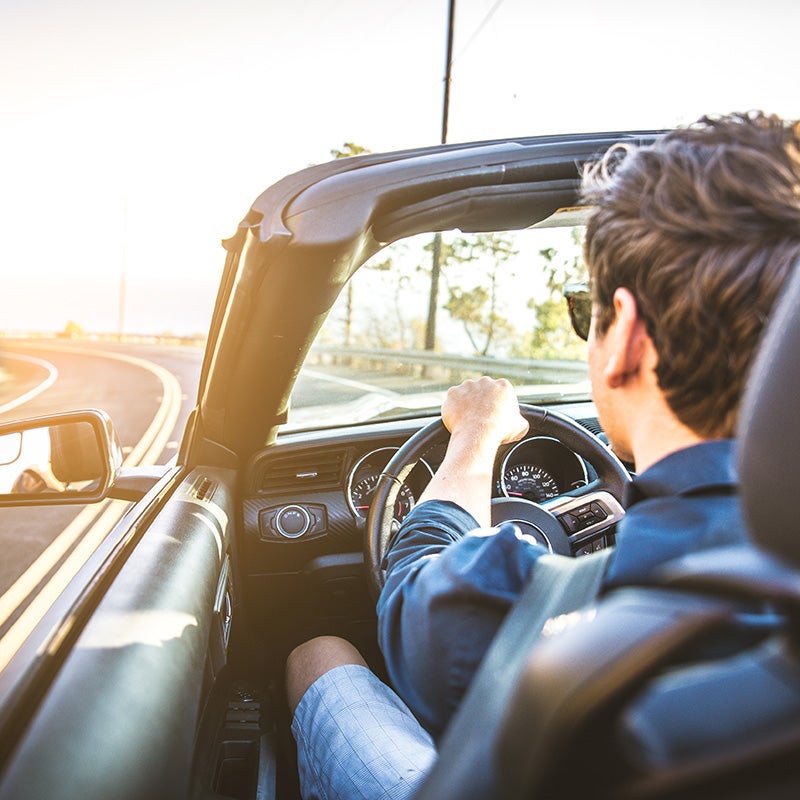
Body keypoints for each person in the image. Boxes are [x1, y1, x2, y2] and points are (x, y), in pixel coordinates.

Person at [285, 111, 800, 799]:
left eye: (587, 313)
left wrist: (474, 434)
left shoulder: (520, 612)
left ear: (627, 339)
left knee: (318, 654)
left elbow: (411, 588)